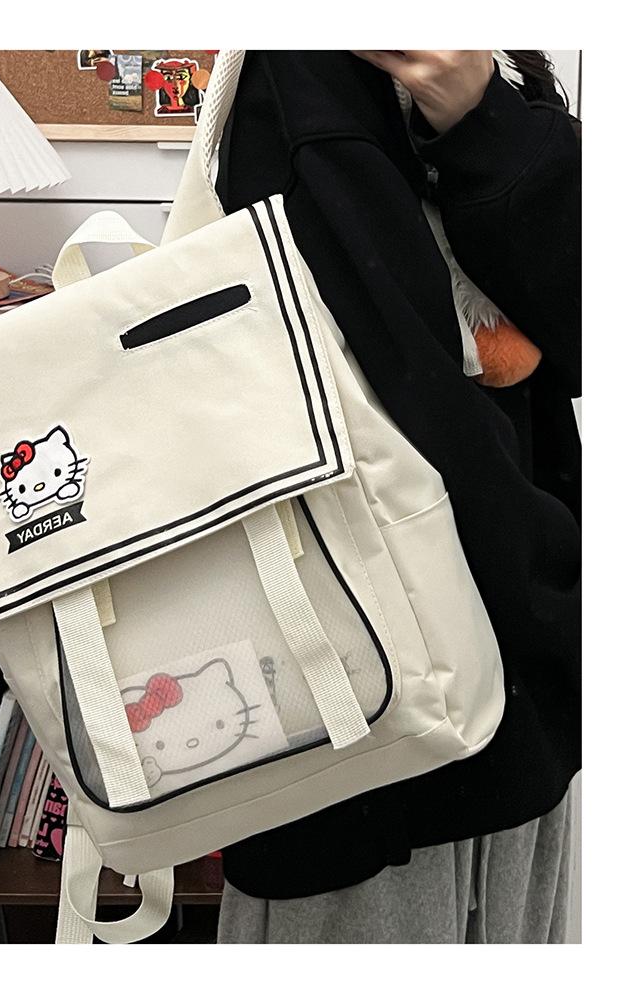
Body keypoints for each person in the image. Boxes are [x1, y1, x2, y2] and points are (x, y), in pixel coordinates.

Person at [213, 50, 581, 944]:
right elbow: (395, 405)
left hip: (492, 683)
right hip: (375, 709)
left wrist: (478, 113)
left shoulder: (500, 72)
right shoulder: (300, 75)